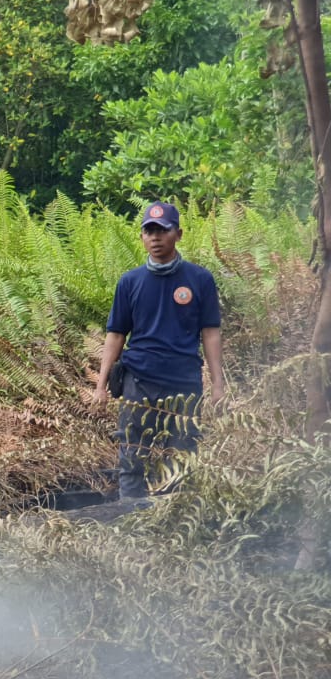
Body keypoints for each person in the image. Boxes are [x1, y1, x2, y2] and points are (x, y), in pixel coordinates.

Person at [94, 202, 225, 501]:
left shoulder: (200, 279)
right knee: (131, 456)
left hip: (184, 383)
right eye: (149, 231)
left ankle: (173, 523)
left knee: (180, 458)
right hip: (137, 381)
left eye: (162, 231)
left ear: (177, 234)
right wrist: (100, 385)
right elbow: (115, 334)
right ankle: (130, 521)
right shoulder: (130, 282)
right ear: (142, 237)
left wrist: (218, 384)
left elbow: (211, 333)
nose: (155, 238)